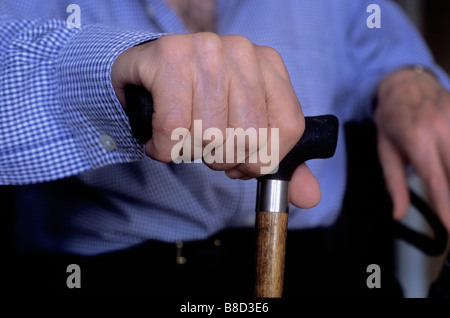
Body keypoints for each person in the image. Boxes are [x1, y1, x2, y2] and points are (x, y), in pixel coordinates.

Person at [1, 0, 450, 299]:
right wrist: (109, 71)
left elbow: (371, 28)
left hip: (321, 267)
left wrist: (407, 75)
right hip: (111, 272)